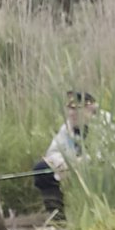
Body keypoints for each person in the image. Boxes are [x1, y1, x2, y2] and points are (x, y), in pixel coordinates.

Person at [32, 90, 95, 220]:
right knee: (41, 169)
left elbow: (105, 156)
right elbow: (53, 152)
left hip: (93, 170)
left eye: (76, 109)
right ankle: (57, 216)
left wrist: (82, 162)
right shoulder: (66, 128)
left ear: (88, 109)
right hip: (69, 168)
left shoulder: (103, 124)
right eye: (70, 109)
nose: (71, 113)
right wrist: (62, 163)